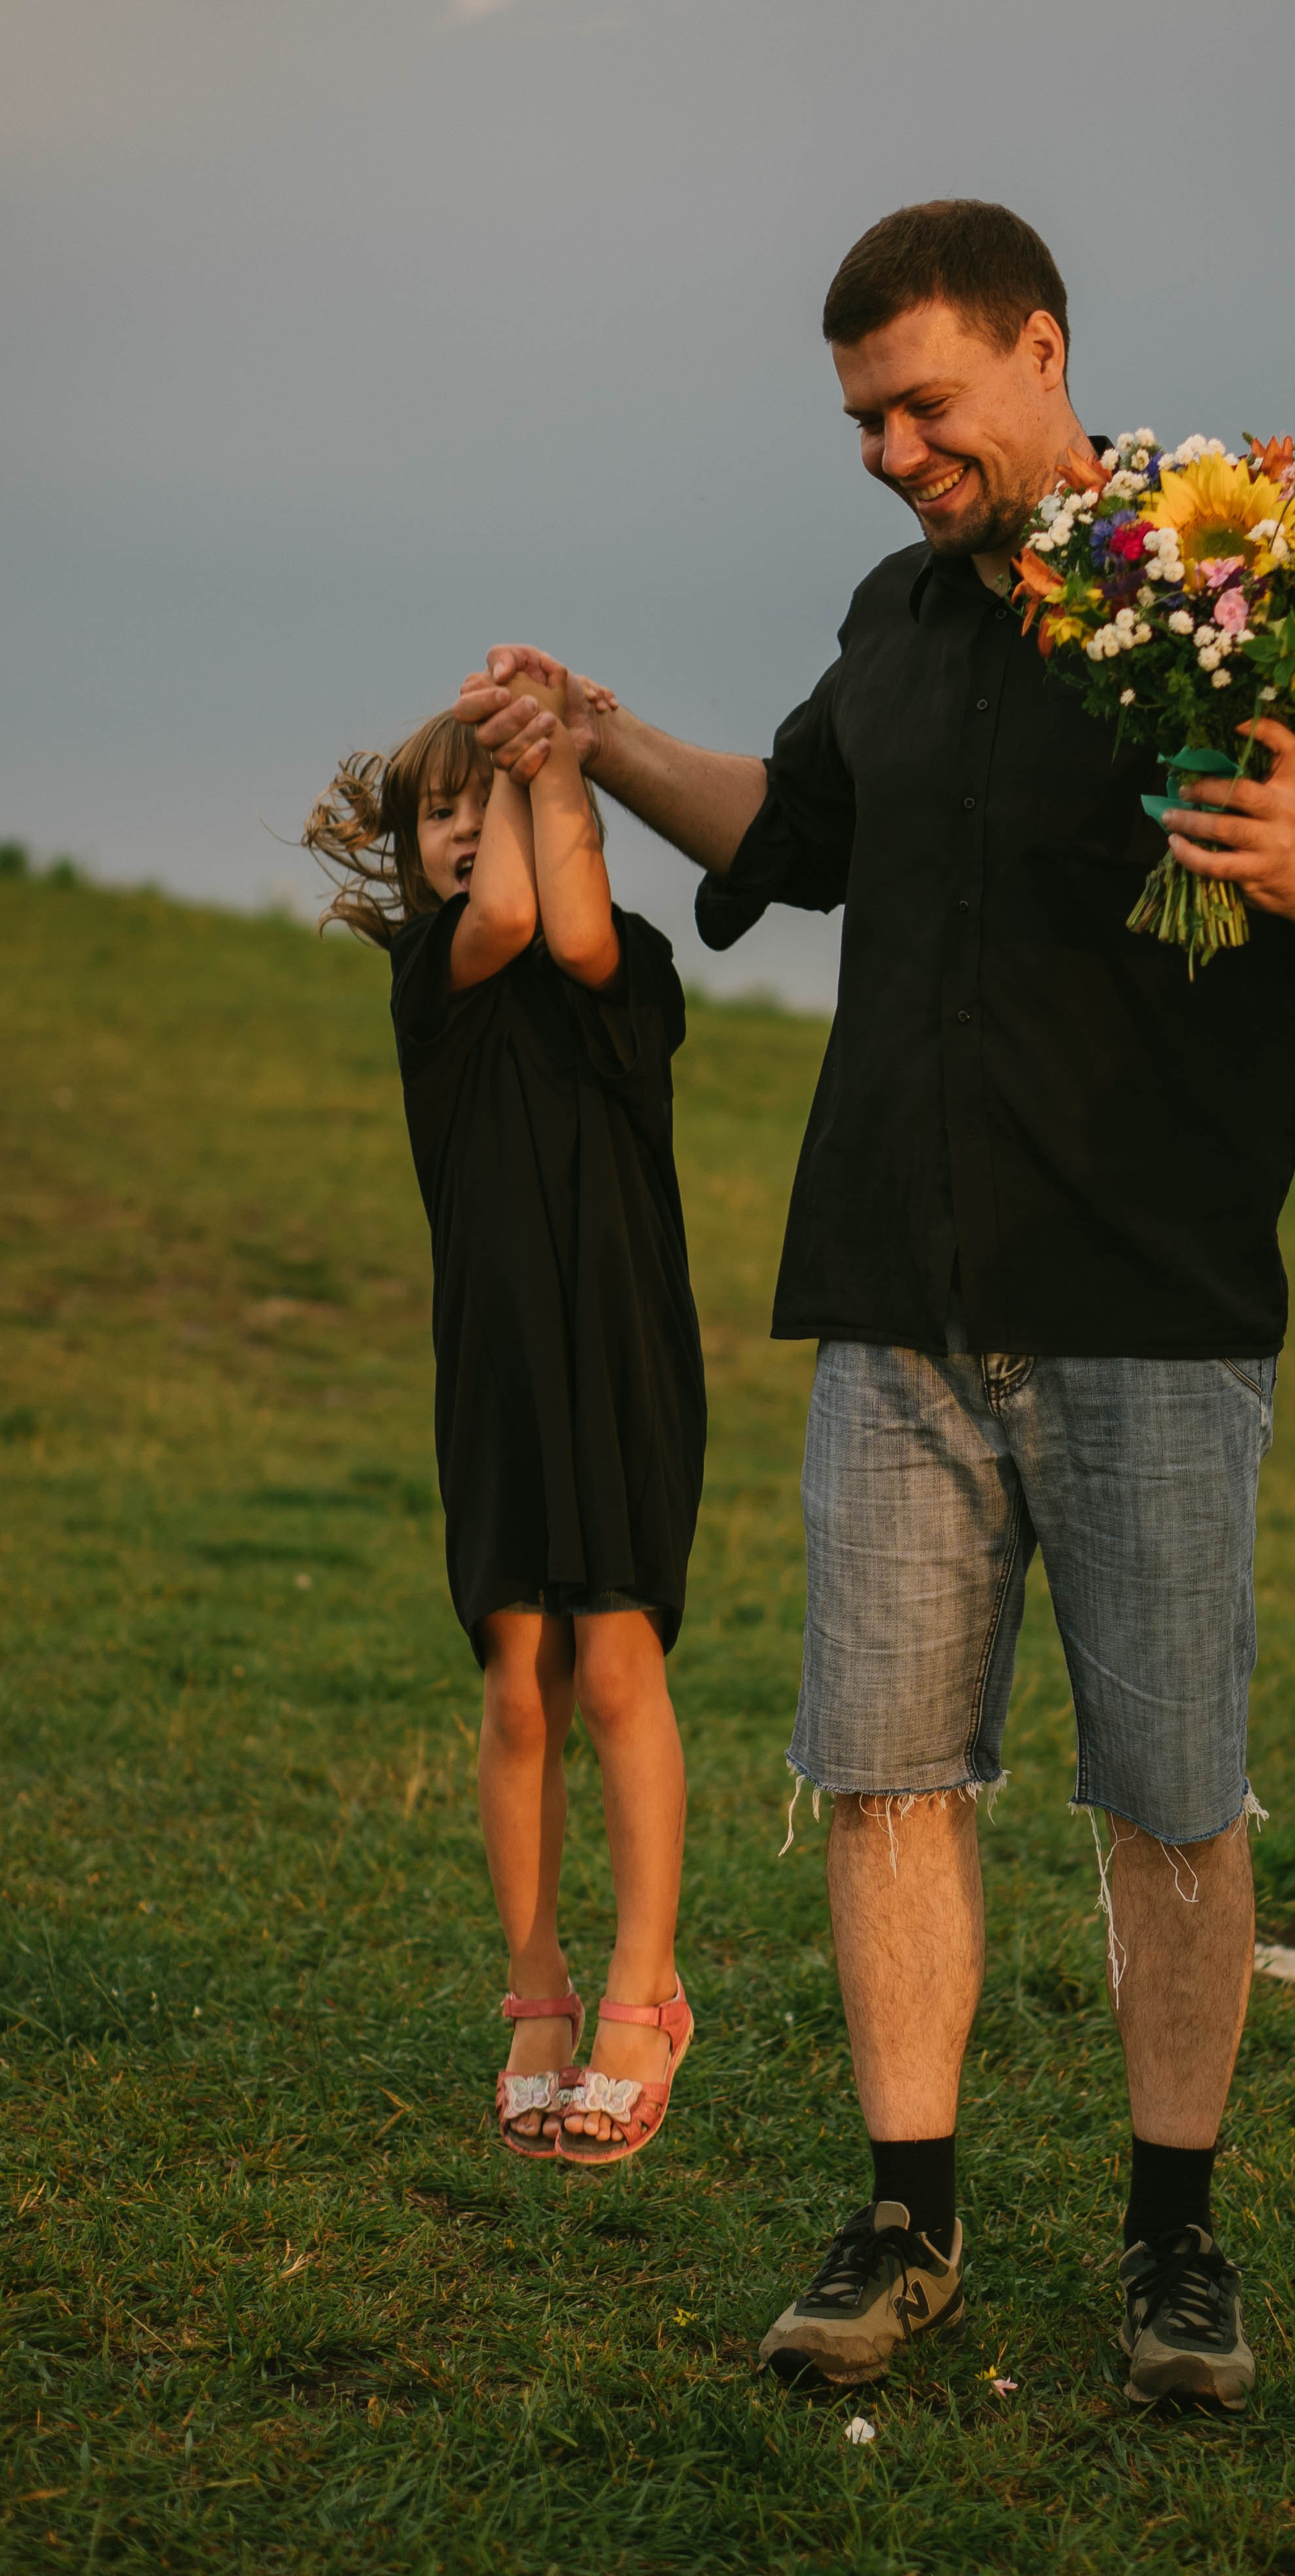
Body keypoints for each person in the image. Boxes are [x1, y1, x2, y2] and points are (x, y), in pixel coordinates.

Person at [457, 199, 1295, 2402]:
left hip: (1154, 1301)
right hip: (899, 1298)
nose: (890, 450)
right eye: (862, 420)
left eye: (923, 404)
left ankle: (1175, 2246)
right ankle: (906, 2220)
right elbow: (789, 828)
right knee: (882, 1777)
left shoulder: (1246, 592)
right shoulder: (899, 614)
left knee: (1174, 1802)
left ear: (1043, 350)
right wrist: (605, 737)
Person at [302, 692, 703, 2167]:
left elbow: (566, 921)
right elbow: (512, 918)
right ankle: (536, 1987)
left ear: (561, 815)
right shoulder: (435, 971)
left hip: (622, 1356)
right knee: (521, 1687)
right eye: (443, 811)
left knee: (616, 1670)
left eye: (499, 799)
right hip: (495, 1371)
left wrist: (558, 772)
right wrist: (531, 768)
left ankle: (644, 1991)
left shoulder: (629, 965)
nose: (471, 828)